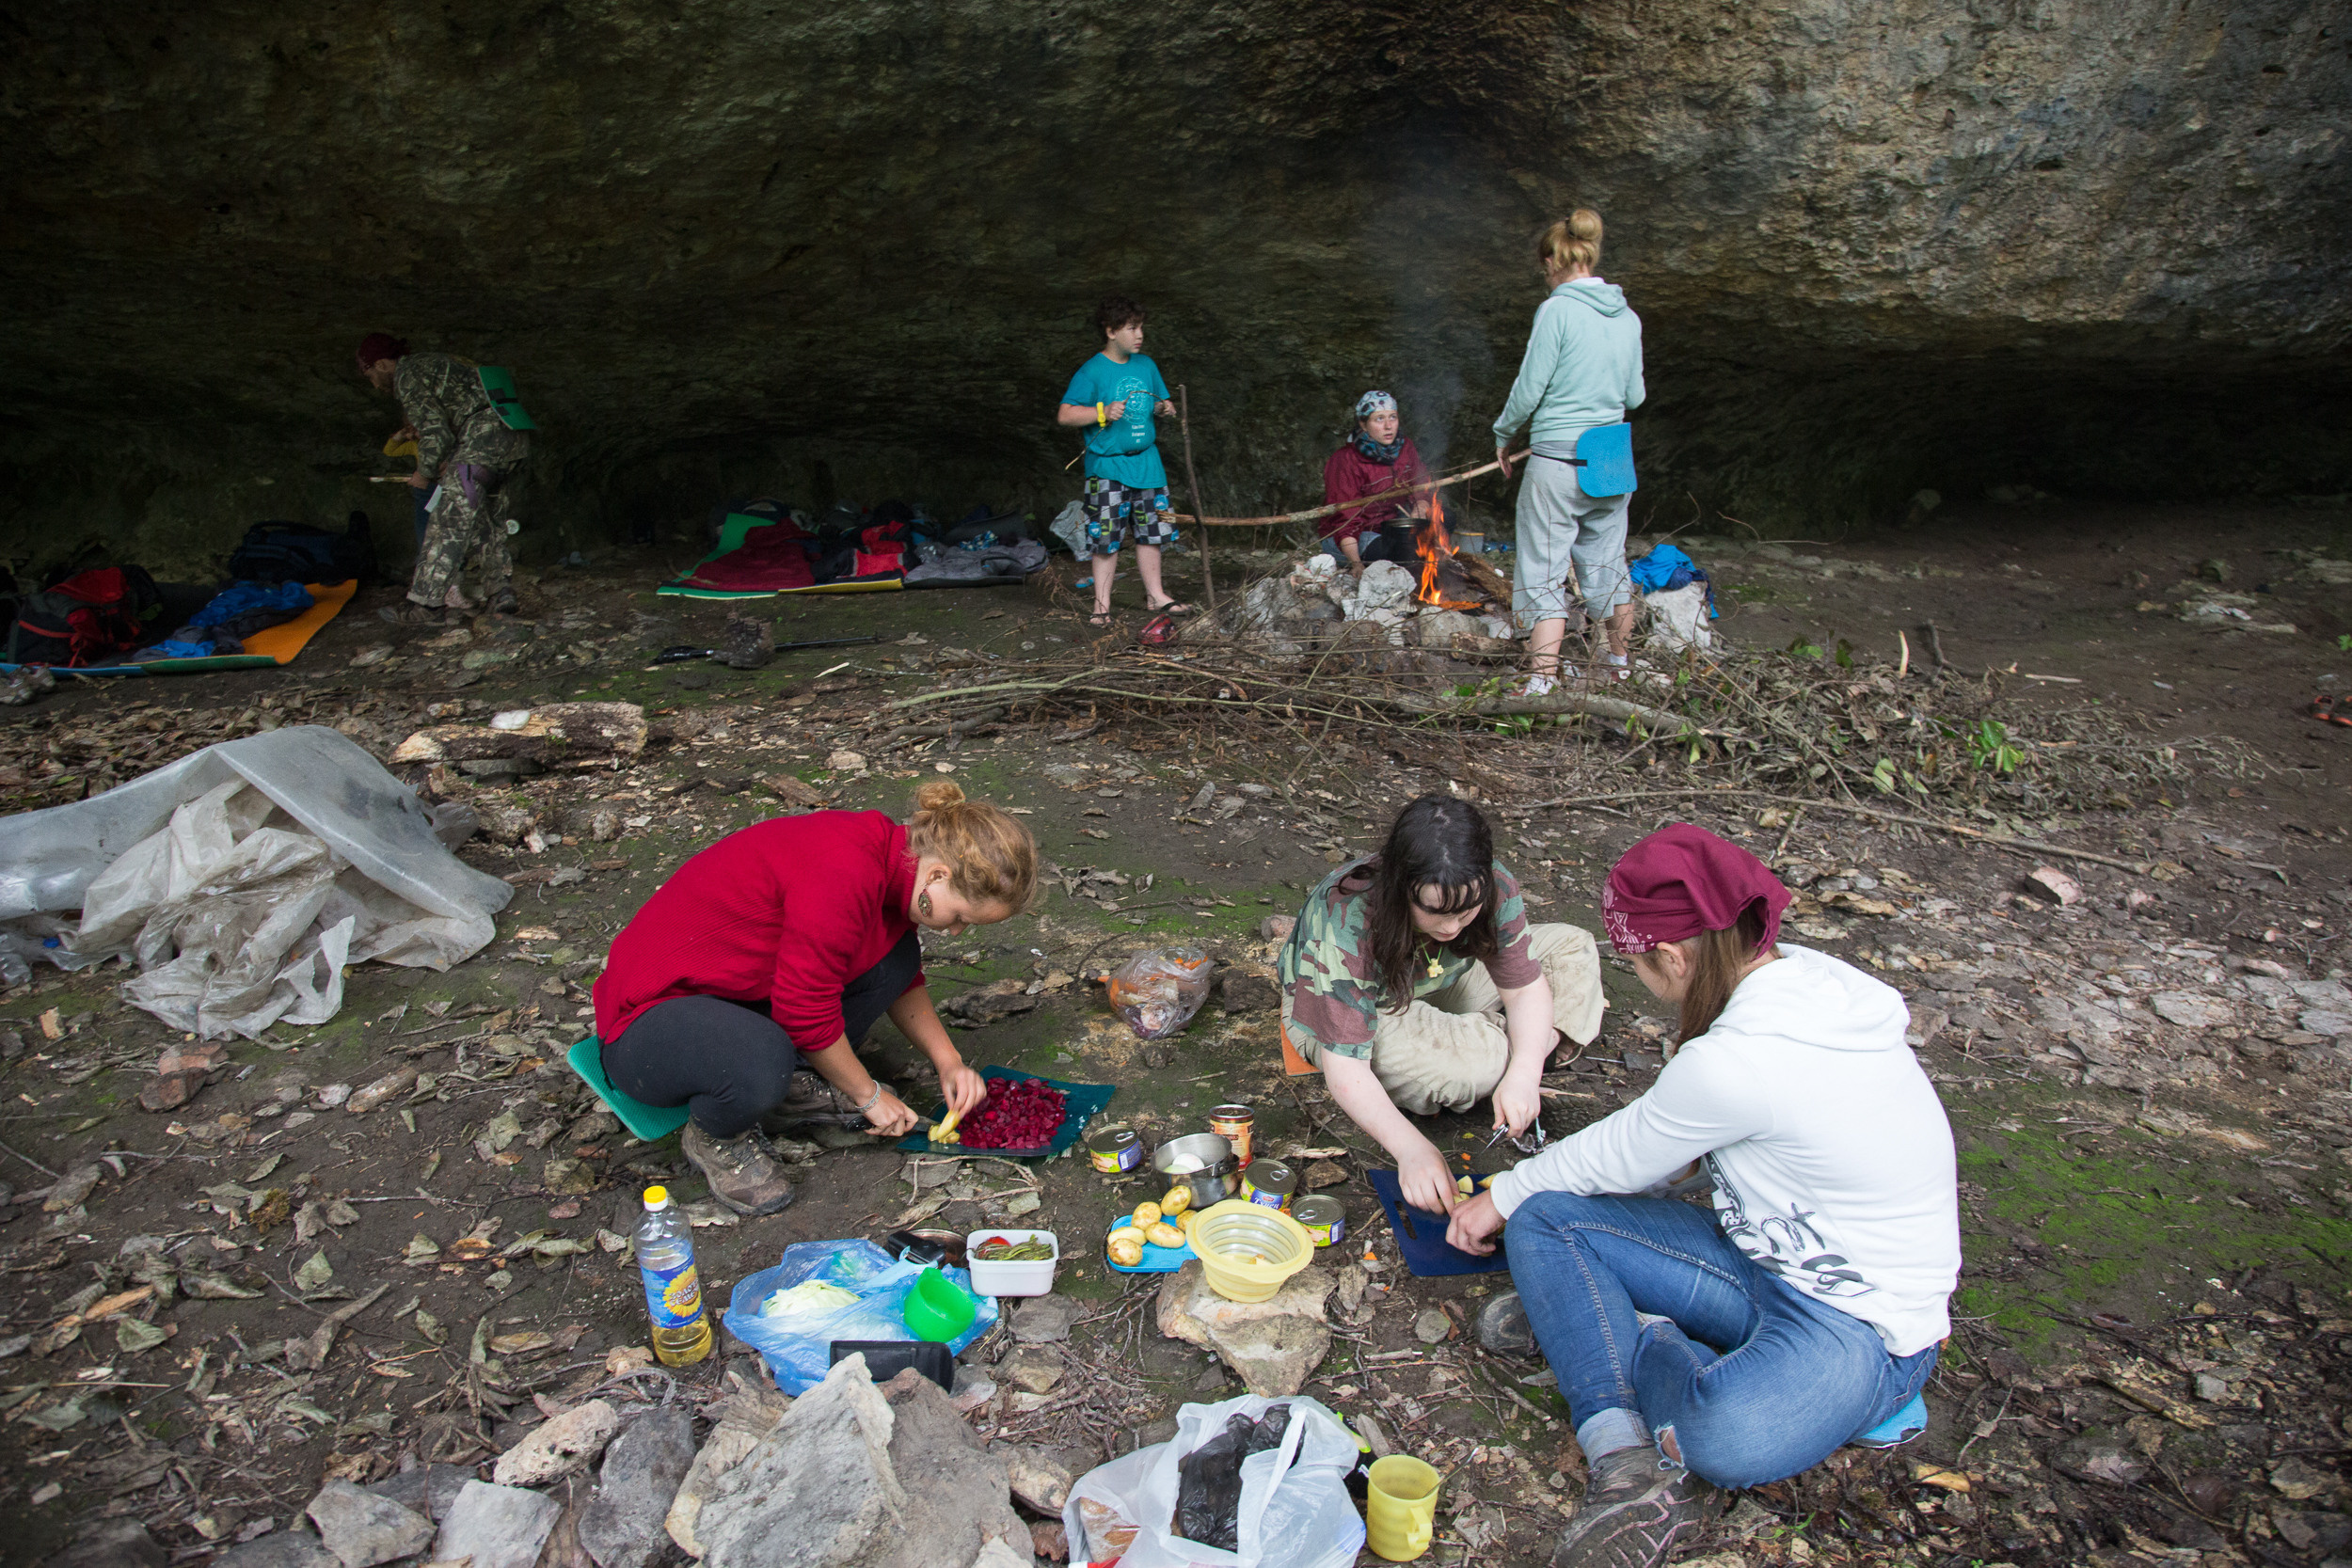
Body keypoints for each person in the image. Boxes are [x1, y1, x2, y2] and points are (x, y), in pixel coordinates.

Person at [1446, 825, 1959, 1568]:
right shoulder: (1800, 979)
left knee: (1723, 1436)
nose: (1640, 979)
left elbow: (1627, 1149)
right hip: (1764, 1259)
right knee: (1548, 1221)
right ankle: (1620, 1449)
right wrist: (1524, 1196)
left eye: (1637, 964)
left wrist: (1500, 1194)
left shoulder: (1743, 1058)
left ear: (1675, 956)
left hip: (1862, 1326)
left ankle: (1622, 1329)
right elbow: (1657, 1152)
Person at [591, 783, 1036, 1215]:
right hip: (647, 1024)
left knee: (896, 955)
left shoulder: (895, 862)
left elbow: (899, 976)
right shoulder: (844, 869)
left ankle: (788, 1089)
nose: (955, 931)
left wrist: (949, 1062)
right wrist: (867, 1095)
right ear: (937, 874)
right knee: (762, 1060)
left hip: (737, 997)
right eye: (959, 917)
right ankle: (716, 1137)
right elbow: (805, 1010)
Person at [1278, 795, 1605, 1215]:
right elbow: (1346, 1064)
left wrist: (1525, 1074)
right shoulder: (1348, 915)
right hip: (1349, 1012)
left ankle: (1509, 1052)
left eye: (1466, 910)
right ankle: (1515, 1047)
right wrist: (1412, 1149)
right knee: (1472, 1068)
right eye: (1435, 911)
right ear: (1399, 884)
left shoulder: (1489, 883)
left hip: (1440, 979)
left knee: (1573, 947)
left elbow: (1525, 988)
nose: (1451, 927)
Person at [1490, 211, 1646, 695]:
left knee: (1544, 567)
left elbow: (1529, 387)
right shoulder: (1628, 318)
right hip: (1611, 455)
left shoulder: (1557, 310)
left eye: (1544, 270)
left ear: (1552, 262)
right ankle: (1619, 664)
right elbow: (1636, 395)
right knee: (1608, 564)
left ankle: (1541, 683)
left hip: (1559, 458)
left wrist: (1504, 433)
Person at [357, 333, 530, 625]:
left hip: (481, 439)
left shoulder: (409, 374)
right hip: (511, 435)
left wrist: (424, 472)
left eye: (370, 374)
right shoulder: (442, 363)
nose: (375, 384)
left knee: (446, 521)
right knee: (488, 520)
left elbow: (435, 432)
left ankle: (426, 605)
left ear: (382, 363)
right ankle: (500, 593)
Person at [1056, 297, 1189, 626]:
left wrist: (1164, 408)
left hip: (1147, 464)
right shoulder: (1092, 371)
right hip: (1108, 467)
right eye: (1132, 328)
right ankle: (1101, 606)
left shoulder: (1146, 365)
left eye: (1141, 327)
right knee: (1106, 538)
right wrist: (1101, 412)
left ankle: (1156, 595)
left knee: (1152, 533)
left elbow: (1162, 401)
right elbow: (1065, 415)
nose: (1140, 334)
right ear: (1111, 331)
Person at [1319, 390, 1434, 576]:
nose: (1388, 426)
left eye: (1392, 417)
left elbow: (1420, 482)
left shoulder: (1405, 447)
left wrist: (1420, 504)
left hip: (1389, 525)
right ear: (1363, 424)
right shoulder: (1345, 460)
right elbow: (1345, 518)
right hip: (1354, 535)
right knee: (1398, 552)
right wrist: (1356, 563)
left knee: (1444, 518)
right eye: (1379, 419)